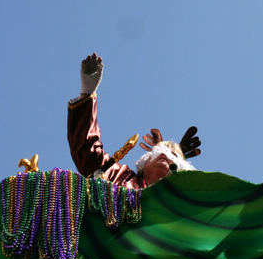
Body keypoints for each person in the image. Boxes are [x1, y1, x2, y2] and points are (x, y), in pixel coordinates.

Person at [68, 53, 199, 189]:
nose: (164, 154)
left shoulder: (185, 200)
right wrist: (87, 91)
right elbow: (87, 152)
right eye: (159, 150)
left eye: (173, 155)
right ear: (145, 162)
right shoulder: (120, 177)